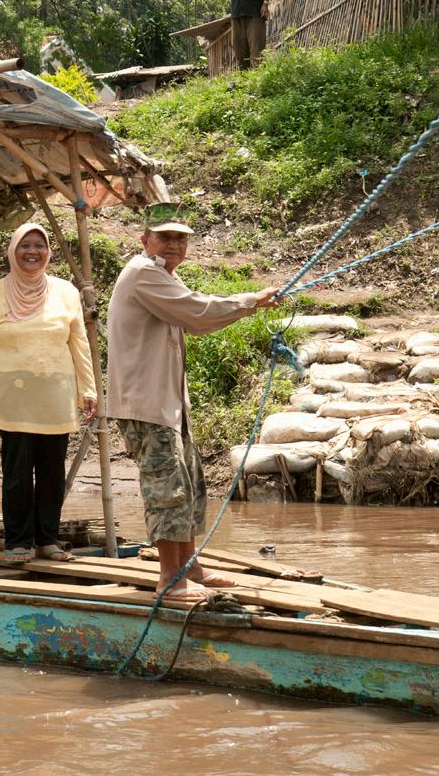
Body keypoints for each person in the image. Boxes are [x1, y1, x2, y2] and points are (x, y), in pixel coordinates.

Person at [106, 203, 280, 601]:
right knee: (167, 489)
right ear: (144, 239)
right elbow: (197, 312)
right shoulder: (143, 272)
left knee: (188, 485)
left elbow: (194, 321)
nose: (173, 245)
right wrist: (252, 300)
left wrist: (250, 304)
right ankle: (170, 579)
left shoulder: (165, 276)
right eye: (164, 237)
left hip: (169, 404)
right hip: (147, 403)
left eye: (180, 239)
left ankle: (190, 566)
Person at [0, 222, 96, 564]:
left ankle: (48, 540)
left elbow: (79, 343)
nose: (32, 252)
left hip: (55, 395)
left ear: (48, 252)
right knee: (17, 473)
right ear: (12, 251)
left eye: (39, 245)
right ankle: (19, 541)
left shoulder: (66, 292)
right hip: (15, 397)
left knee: (52, 473)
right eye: (25, 245)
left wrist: (89, 389)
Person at [228, 0, 276, 69]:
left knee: (257, 49)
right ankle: (244, 76)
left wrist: (265, 3)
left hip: (255, 11)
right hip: (237, 12)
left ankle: (259, 76)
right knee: (239, 50)